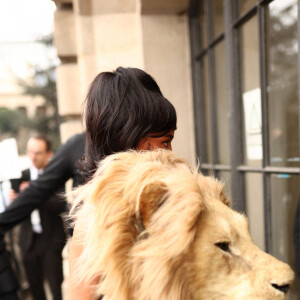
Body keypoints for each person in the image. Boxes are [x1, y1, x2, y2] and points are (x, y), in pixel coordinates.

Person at [67, 66, 177, 300]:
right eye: (166, 142)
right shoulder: (94, 219)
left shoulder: (169, 201)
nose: (171, 154)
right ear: (128, 138)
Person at [9, 134, 67, 300]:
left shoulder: (56, 174)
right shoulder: (21, 176)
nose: (33, 157)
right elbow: (13, 209)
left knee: (56, 288)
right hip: (28, 241)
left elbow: (60, 204)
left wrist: (32, 192)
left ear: (49, 153)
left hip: (51, 240)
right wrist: (14, 199)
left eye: (38, 153)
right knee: (35, 290)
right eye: (30, 152)